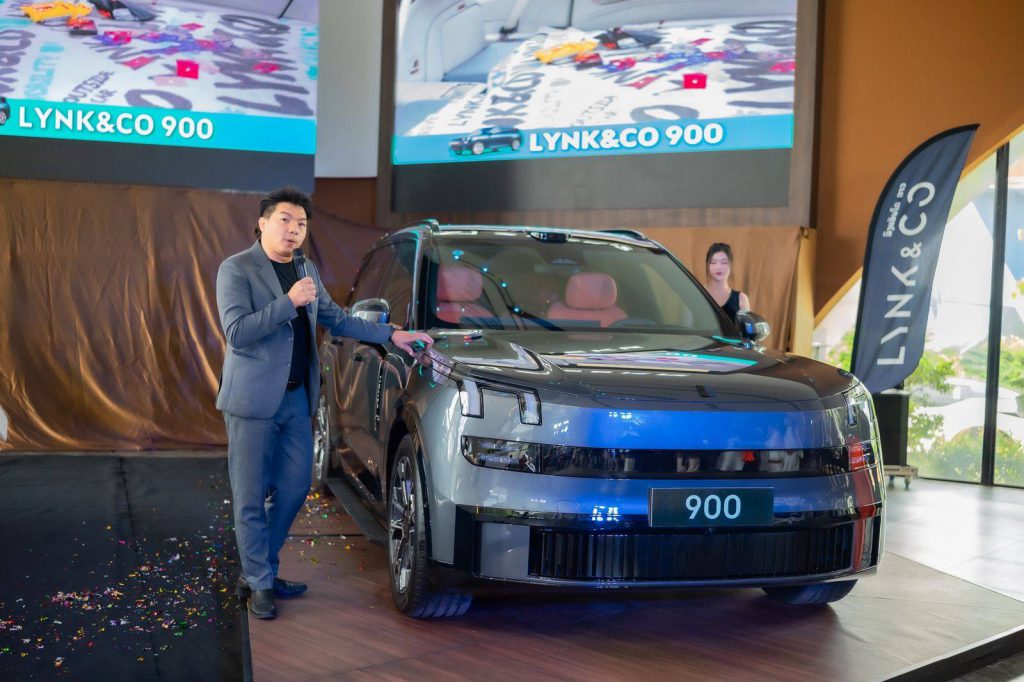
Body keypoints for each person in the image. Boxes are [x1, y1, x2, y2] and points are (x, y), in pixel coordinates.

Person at [215, 187, 432, 620]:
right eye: (285, 220)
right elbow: (237, 332)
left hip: (297, 400)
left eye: (301, 223)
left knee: (295, 488)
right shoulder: (236, 269)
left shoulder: (305, 268)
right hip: (252, 402)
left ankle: (257, 570)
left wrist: (393, 334)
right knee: (250, 496)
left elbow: (337, 319)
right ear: (262, 222)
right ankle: (260, 581)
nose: (294, 230)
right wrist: (289, 302)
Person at [705, 242, 750, 325]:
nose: (719, 267)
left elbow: (745, 330)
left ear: (730, 265)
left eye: (724, 263)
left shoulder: (741, 299)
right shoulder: (697, 293)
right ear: (707, 265)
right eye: (713, 262)